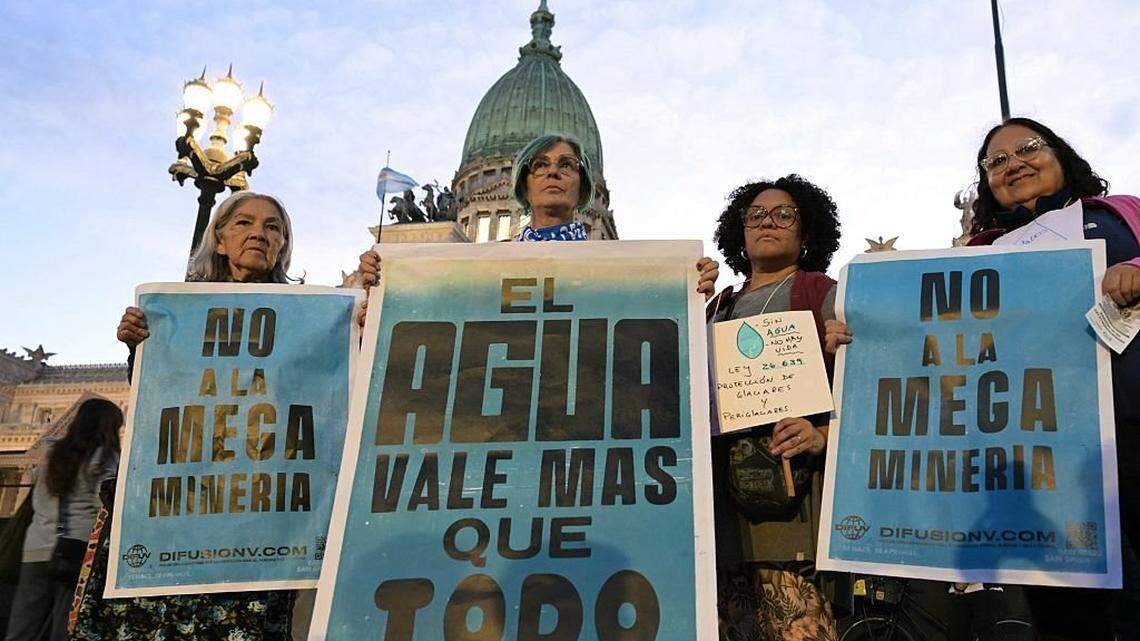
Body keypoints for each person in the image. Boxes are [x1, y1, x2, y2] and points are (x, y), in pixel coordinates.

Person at [827, 117, 1140, 640]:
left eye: (1028, 149)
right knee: (1063, 612)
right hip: (1036, 454)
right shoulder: (978, 254)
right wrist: (859, 335)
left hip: (1127, 424)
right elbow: (924, 341)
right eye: (996, 161)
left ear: (1061, 155)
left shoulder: (1120, 213)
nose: (1013, 163)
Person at [71, 191, 300, 641]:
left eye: (273, 227)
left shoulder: (307, 321)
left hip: (255, 511)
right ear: (217, 239)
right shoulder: (178, 313)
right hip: (178, 505)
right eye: (244, 223)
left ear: (282, 246)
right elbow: (161, 397)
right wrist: (139, 346)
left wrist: (374, 292)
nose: (259, 233)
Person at [706, 174, 842, 641]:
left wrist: (822, 435)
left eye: (785, 215)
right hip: (723, 514)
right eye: (756, 215)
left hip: (793, 511)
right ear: (739, 232)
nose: (769, 222)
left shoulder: (822, 292)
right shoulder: (716, 305)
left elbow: (867, 383)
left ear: (806, 234)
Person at [357, 132, 719, 302]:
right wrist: (387, 290)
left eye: (567, 165)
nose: (553, 173)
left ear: (583, 186)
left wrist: (685, 288)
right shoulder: (484, 269)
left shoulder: (621, 274)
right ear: (522, 186)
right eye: (540, 165)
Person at [4, 398, 121, 641]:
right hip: (78, 550)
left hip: (37, 547)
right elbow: (105, 503)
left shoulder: (50, 453)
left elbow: (38, 500)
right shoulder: (103, 456)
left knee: (23, 626)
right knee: (66, 627)